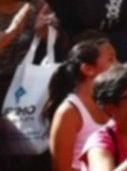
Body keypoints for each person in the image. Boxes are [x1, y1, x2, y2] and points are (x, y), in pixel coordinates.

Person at [46, 36, 118, 171]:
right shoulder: (68, 112)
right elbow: (62, 169)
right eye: (111, 59)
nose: (118, 65)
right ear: (88, 69)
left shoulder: (115, 101)